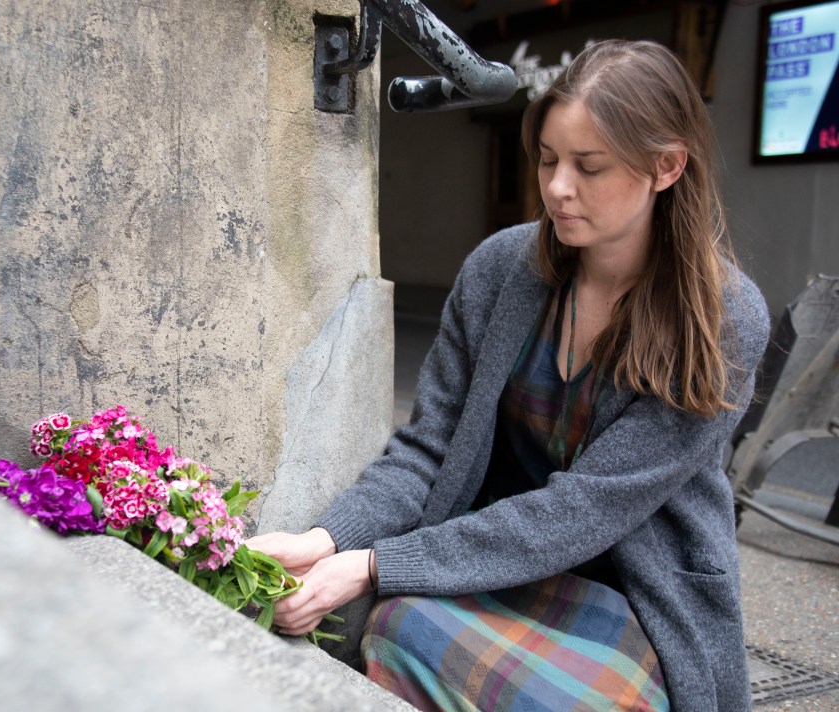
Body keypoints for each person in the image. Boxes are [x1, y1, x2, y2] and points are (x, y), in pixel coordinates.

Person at [248, 39, 770, 711]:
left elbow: (580, 512)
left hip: (638, 598)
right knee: (376, 626)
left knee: (449, 648)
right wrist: (326, 540)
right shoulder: (501, 270)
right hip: (488, 563)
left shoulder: (722, 318)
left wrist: (378, 563)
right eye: (549, 159)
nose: (556, 187)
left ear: (666, 167)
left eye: (589, 166)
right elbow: (427, 450)